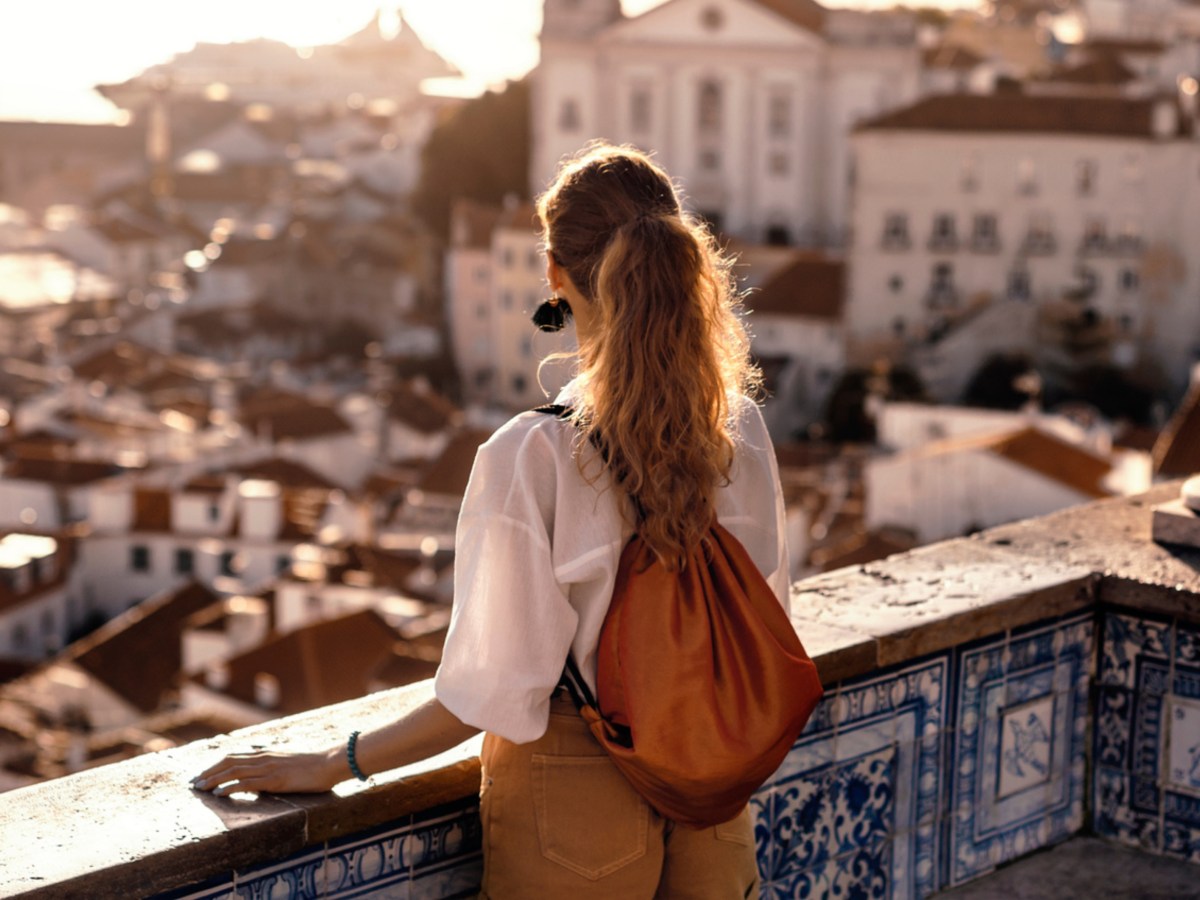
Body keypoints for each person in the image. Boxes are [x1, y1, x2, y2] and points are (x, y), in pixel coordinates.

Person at [193, 142, 790, 899]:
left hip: (578, 801)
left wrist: (334, 761)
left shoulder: (532, 454)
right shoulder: (739, 429)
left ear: (554, 272)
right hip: (713, 792)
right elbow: (766, 613)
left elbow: (491, 690)